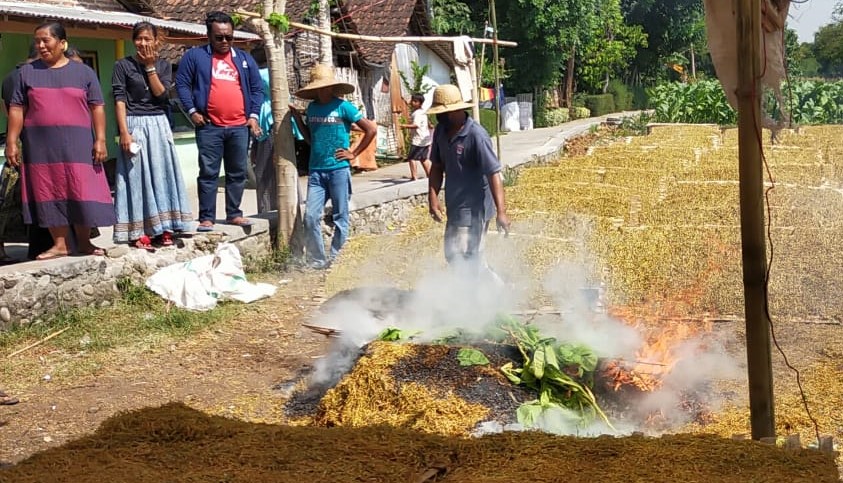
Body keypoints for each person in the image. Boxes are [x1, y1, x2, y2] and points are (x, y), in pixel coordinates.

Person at [4, 22, 115, 260]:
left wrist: (101, 139)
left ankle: (84, 243)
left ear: (62, 43)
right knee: (48, 190)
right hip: (40, 146)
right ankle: (60, 244)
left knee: (80, 188)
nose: (41, 45)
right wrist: (12, 141)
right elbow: (16, 109)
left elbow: (97, 107)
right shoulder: (27, 73)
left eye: (46, 40)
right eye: (37, 41)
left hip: (79, 144)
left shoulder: (84, 73)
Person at [175, 11, 263, 232]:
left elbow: (256, 89)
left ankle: (234, 214)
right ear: (209, 35)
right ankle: (207, 217)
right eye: (219, 37)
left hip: (239, 127)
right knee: (208, 172)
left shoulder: (244, 59)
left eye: (229, 37)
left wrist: (253, 116)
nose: (225, 41)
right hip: (209, 127)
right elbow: (182, 85)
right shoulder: (195, 57)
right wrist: (192, 111)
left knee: (237, 172)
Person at [112, 22, 192, 250]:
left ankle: (165, 227)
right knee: (135, 177)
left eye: (148, 39)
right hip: (134, 123)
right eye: (139, 39)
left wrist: (149, 67)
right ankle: (138, 231)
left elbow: (161, 94)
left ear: (157, 41)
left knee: (161, 174)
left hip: (158, 124)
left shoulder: (164, 65)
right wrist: (124, 133)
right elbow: (119, 100)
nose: (143, 43)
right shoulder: (122, 66)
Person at [289, 64, 376, 269]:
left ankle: (337, 258)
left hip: (338, 169)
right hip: (316, 170)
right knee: (310, 216)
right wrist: (297, 119)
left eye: (324, 86)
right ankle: (318, 259)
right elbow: (311, 138)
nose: (322, 90)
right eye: (318, 87)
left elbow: (370, 129)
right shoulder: (312, 108)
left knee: (340, 215)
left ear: (331, 87)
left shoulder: (343, 107)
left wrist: (353, 153)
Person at [427, 84, 510, 278]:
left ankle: (488, 297)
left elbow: (493, 173)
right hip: (455, 205)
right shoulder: (441, 131)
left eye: (443, 113)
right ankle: (484, 294)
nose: (439, 117)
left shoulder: (476, 136)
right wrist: (432, 198)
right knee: (453, 255)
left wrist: (502, 212)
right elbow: (437, 167)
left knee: (468, 257)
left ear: (457, 110)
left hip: (474, 209)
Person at [400, 93, 432, 180]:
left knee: (411, 158)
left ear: (420, 103)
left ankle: (414, 176)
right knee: (423, 158)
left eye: (415, 101)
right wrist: (430, 126)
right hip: (425, 138)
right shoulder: (423, 112)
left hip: (418, 139)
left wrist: (404, 126)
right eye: (412, 101)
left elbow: (416, 125)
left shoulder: (417, 114)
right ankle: (429, 174)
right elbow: (428, 123)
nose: (413, 103)